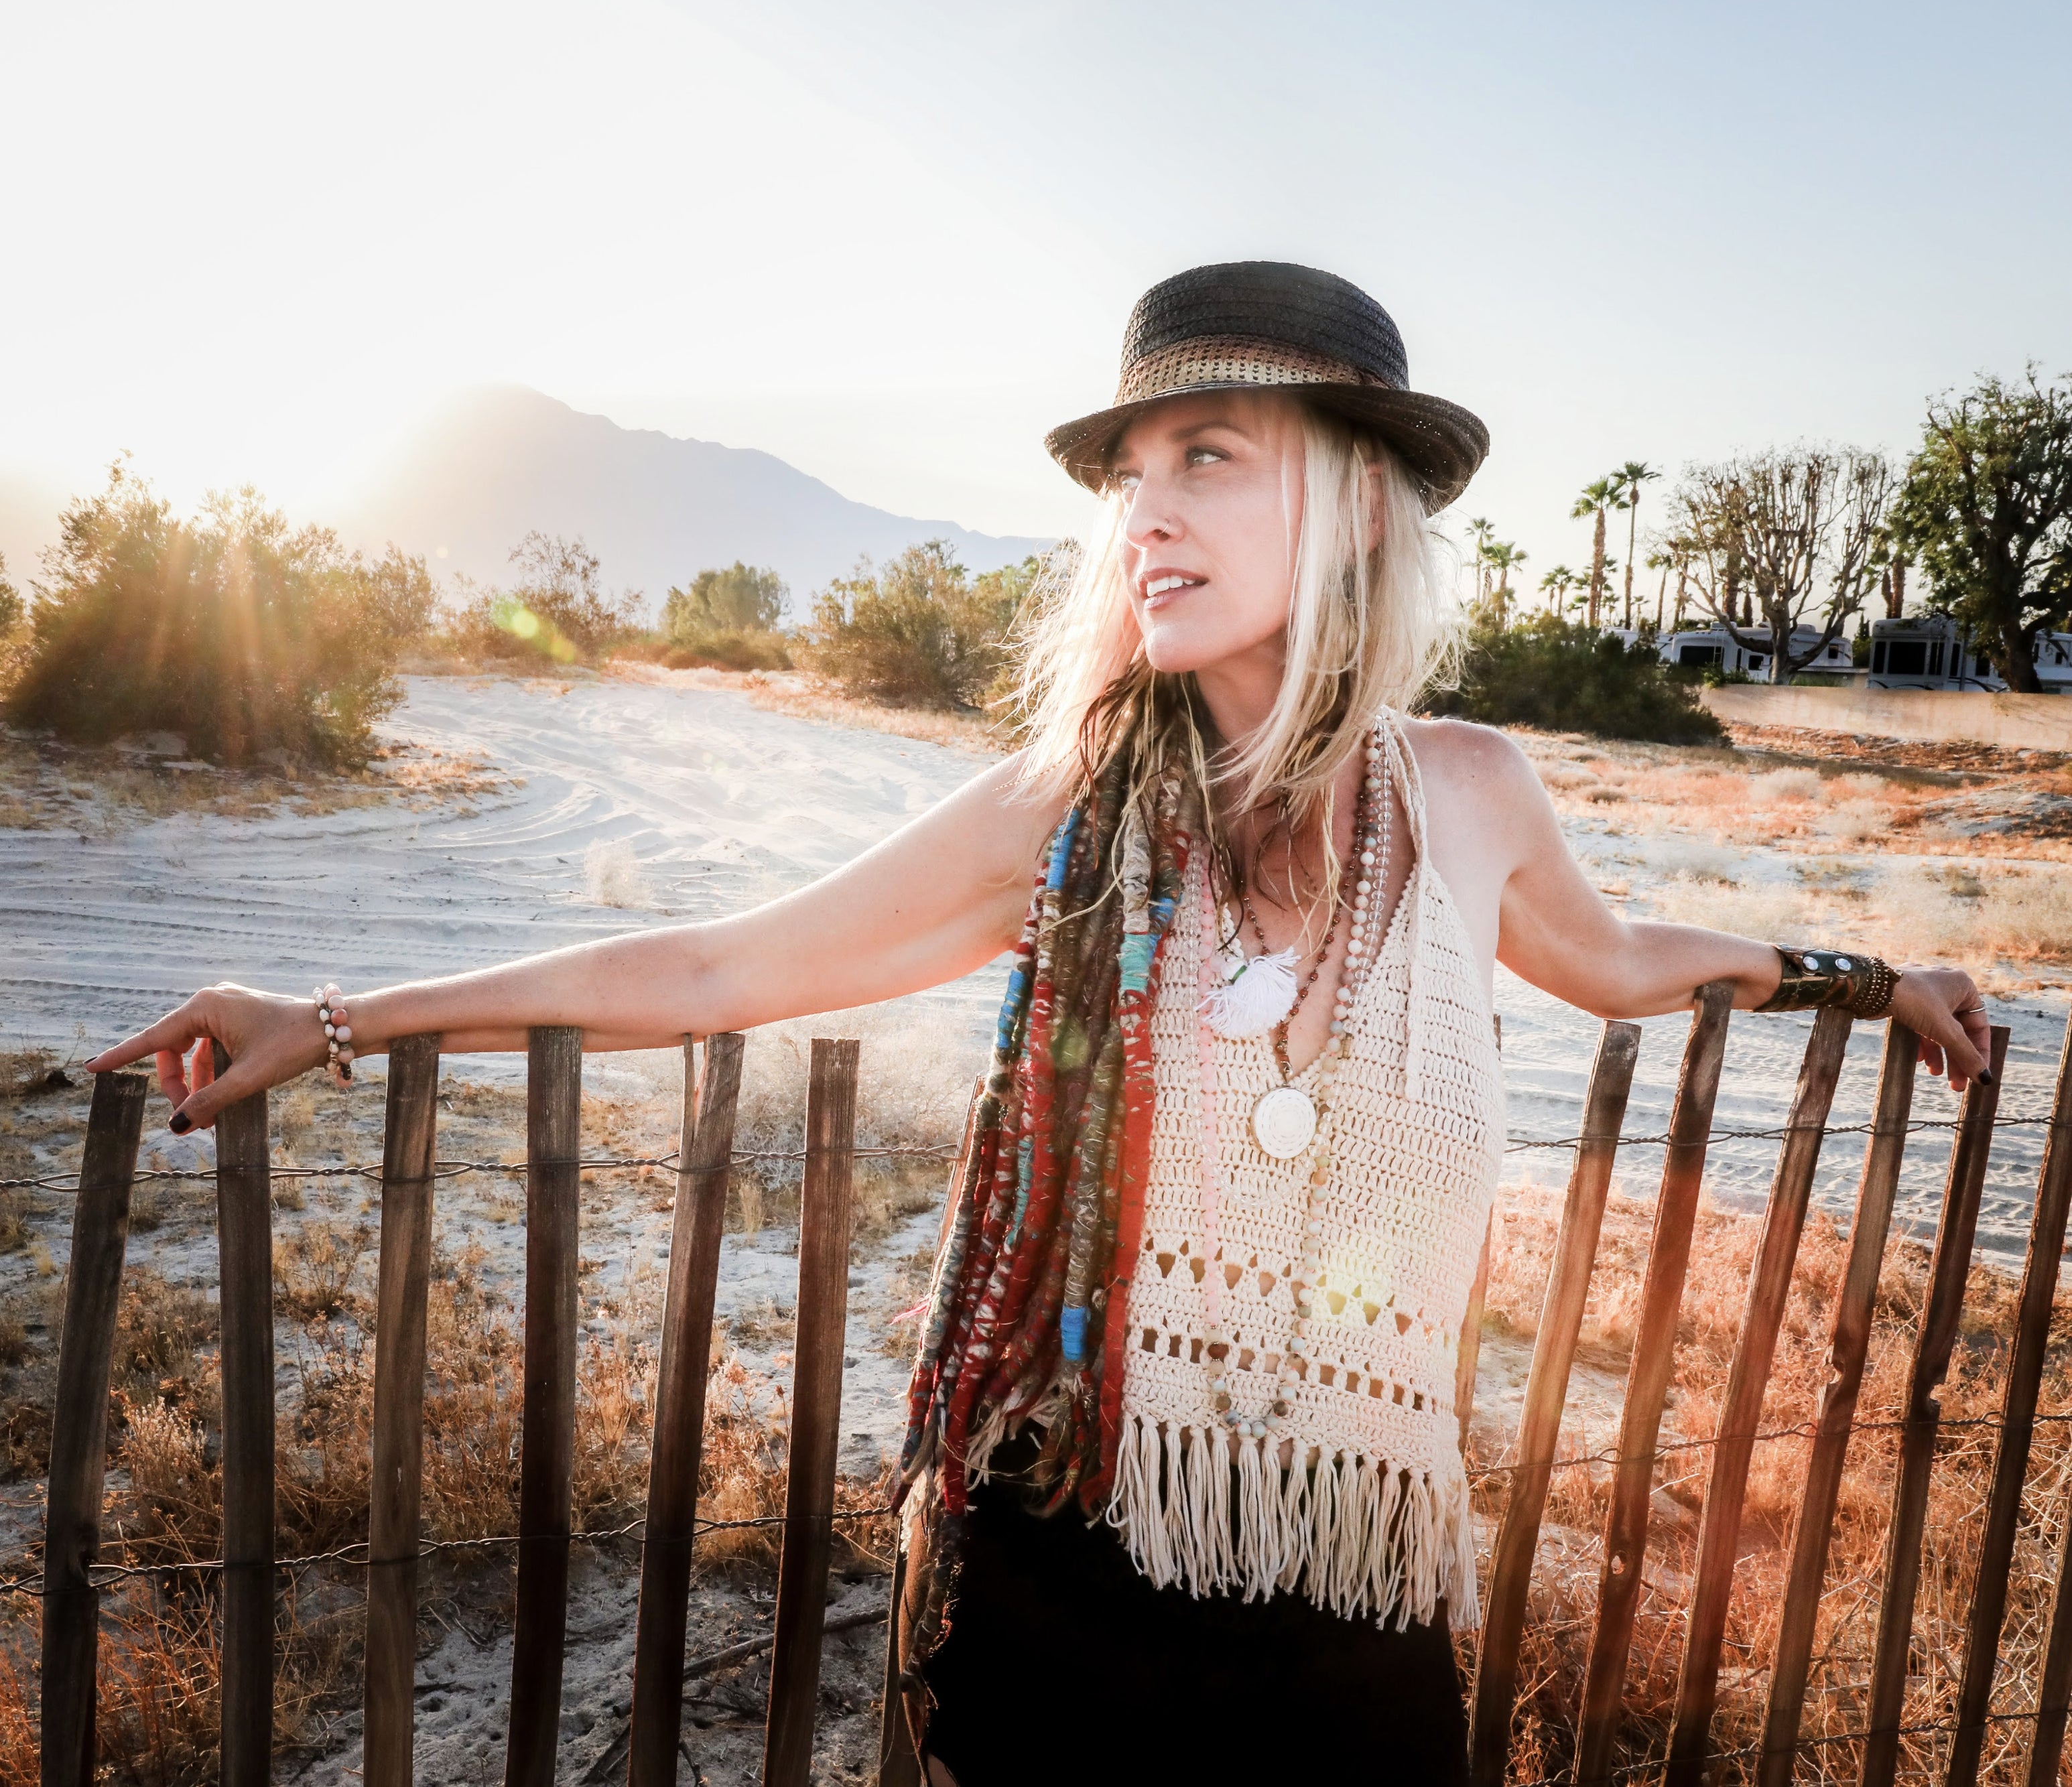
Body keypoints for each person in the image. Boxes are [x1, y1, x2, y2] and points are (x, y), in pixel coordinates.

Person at [90, 261, 1991, 1785]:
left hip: (1355, 1593)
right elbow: (716, 965)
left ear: (1344, 500)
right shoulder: (1071, 814)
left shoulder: (1474, 796)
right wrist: (337, 1012)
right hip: (1066, 1563)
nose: (1142, 517)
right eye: (1129, 474)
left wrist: (1867, 976)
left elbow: (1627, 956)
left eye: (1209, 458)